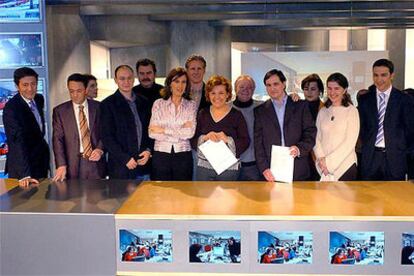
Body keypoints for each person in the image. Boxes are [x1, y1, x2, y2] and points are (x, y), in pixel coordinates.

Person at [254, 69, 316, 182]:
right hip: (271, 170)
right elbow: (258, 143)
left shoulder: (300, 106)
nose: (272, 88)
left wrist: (299, 148)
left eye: (276, 84)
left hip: (298, 167)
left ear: (284, 84)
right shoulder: (260, 111)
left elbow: (310, 133)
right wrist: (264, 168)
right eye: (268, 85)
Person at [358, 59, 414, 180]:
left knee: (393, 197)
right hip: (371, 158)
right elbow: (362, 129)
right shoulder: (364, 100)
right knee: (368, 196)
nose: (379, 79)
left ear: (392, 75)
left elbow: (410, 132)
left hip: (396, 159)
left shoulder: (404, 100)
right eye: (375, 75)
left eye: (383, 75)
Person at [192, 75, 249, 181]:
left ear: (227, 94)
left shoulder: (236, 115)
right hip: (204, 168)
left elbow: (245, 141)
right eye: (213, 93)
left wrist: (227, 139)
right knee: (203, 197)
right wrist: (205, 137)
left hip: (228, 169)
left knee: (227, 197)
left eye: (221, 93)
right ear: (208, 94)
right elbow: (192, 139)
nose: (217, 97)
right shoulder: (202, 113)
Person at [100, 65, 152, 180]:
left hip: (143, 165)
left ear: (134, 79)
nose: (126, 82)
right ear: (116, 80)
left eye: (129, 78)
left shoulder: (144, 102)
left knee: (146, 197)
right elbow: (107, 137)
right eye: (122, 78)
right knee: (122, 198)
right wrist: (125, 158)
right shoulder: (107, 104)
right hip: (121, 167)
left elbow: (150, 130)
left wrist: (148, 150)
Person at [52, 73, 106, 181]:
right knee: (73, 197)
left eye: (79, 91)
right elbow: (57, 139)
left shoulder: (99, 107)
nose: (75, 95)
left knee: (98, 196)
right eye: (71, 91)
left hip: (95, 162)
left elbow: (106, 132)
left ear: (86, 90)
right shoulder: (60, 111)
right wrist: (61, 164)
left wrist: (100, 149)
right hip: (72, 163)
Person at [3, 67, 50, 188]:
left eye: (33, 84)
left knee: (43, 203)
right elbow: (16, 141)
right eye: (25, 85)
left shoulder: (39, 99)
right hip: (23, 167)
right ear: (17, 86)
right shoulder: (11, 108)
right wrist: (25, 174)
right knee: (24, 205)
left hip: (40, 161)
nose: (30, 89)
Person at [149, 67, 196, 180]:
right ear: (170, 83)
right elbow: (152, 133)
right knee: (162, 193)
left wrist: (163, 130)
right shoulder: (158, 104)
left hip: (183, 155)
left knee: (183, 193)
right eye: (176, 81)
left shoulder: (191, 105)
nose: (180, 85)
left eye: (183, 82)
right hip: (161, 155)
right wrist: (180, 130)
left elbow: (190, 133)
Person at [313, 73, 360, 181]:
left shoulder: (352, 111)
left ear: (344, 90)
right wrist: (321, 160)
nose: (332, 92)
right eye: (329, 88)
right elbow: (316, 138)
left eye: (336, 88)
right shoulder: (323, 111)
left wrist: (328, 163)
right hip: (323, 167)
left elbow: (349, 142)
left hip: (345, 167)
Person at [232, 75, 262, 181]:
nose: (245, 90)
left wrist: (293, 97)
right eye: (241, 87)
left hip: (254, 166)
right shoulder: (225, 109)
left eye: (249, 87)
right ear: (235, 89)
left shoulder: (262, 108)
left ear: (253, 90)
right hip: (230, 167)